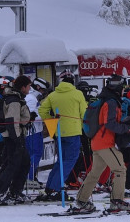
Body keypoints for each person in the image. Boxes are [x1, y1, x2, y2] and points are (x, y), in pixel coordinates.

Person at [71, 75, 130, 214]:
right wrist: (126, 128)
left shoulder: (104, 99)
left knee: (95, 173)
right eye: (123, 87)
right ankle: (117, 202)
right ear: (119, 87)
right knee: (120, 169)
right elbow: (109, 123)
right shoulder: (111, 102)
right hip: (105, 142)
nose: (124, 90)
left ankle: (81, 201)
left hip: (97, 141)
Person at [37, 70, 87, 201]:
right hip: (74, 131)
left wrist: (51, 123)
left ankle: (51, 187)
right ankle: (56, 188)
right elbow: (84, 113)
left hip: (58, 131)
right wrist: (81, 125)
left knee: (61, 161)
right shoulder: (78, 94)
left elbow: (42, 110)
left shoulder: (53, 95)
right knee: (69, 160)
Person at [0, 76, 33, 205]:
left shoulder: (17, 98)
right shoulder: (14, 100)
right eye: (29, 86)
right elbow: (12, 121)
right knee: (12, 165)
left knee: (24, 163)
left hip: (17, 135)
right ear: (23, 87)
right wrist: (17, 139)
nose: (30, 89)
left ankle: (15, 191)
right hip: (14, 137)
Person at [25, 77, 50, 188]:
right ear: (38, 87)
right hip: (33, 131)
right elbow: (29, 116)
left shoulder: (33, 98)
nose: (43, 93)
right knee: (35, 154)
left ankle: (31, 177)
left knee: (35, 155)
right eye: (43, 90)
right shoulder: (31, 98)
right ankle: (29, 178)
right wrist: (46, 116)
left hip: (36, 130)